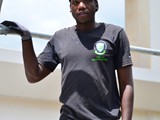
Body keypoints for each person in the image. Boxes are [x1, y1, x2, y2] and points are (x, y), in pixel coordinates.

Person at [1, 0, 134, 119]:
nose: (81, 6)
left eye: (86, 1)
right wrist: (26, 37)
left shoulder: (115, 34)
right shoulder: (60, 37)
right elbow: (34, 76)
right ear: (70, 8)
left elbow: (126, 83)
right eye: (75, 2)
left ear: (96, 5)